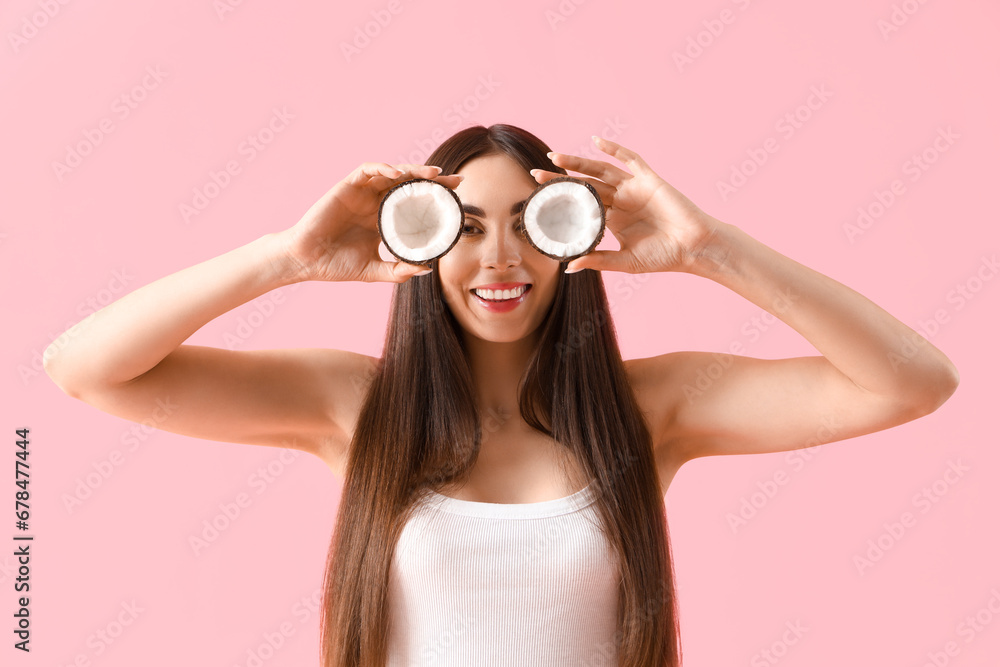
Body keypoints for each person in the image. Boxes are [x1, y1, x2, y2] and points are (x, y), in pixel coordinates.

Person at [43, 124, 960, 667]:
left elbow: (912, 382)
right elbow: (86, 367)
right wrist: (286, 257)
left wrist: (707, 249)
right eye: (467, 227)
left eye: (533, 224)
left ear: (577, 240)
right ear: (422, 238)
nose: (500, 261)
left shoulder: (655, 409)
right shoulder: (354, 408)